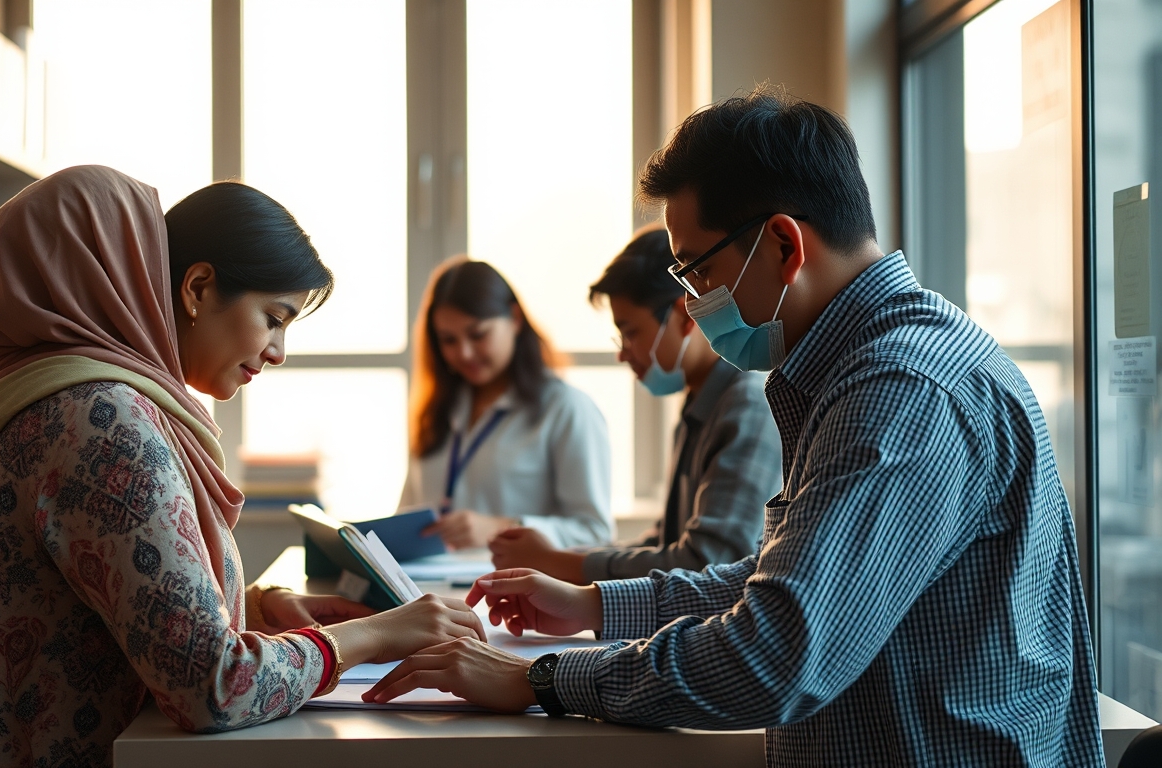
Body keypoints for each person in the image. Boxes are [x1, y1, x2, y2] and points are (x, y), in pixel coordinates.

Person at [362, 87, 1105, 766]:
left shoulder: (901, 389)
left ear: (784, 245)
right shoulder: (865, 366)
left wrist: (542, 678)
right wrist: (591, 605)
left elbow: (772, 653)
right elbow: (775, 582)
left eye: (696, 272)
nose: (691, 305)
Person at [0, 167, 485, 767]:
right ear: (198, 288)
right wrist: (380, 635)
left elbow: (102, 606)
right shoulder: (101, 418)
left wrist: (261, 609)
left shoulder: (52, 398)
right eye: (273, 318)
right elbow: (213, 687)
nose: (278, 352)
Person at [488, 228, 781, 583]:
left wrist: (559, 564)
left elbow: (708, 561)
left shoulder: (746, 405)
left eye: (630, 332)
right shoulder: (703, 400)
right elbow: (666, 542)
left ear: (685, 316)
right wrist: (557, 557)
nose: (623, 353)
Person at [401, 257, 613, 550]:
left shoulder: (567, 408)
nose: (464, 353)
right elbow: (406, 516)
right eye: (448, 340)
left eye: (478, 335)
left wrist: (501, 528)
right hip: (430, 591)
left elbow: (595, 532)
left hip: (514, 591)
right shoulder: (439, 409)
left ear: (514, 319)